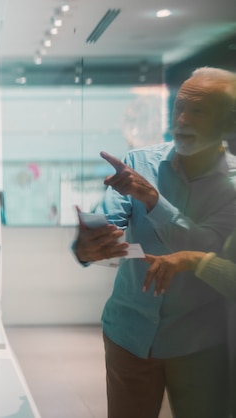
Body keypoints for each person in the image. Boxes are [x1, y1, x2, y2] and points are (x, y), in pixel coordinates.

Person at [73, 66, 236, 418]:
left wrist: (153, 200)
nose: (182, 118)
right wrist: (89, 245)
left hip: (198, 342)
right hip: (128, 332)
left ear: (226, 122)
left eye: (198, 110)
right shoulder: (138, 162)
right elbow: (113, 231)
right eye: (179, 106)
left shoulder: (233, 183)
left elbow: (208, 250)